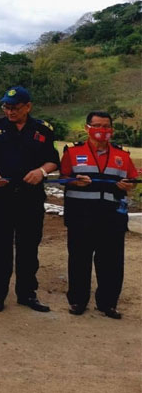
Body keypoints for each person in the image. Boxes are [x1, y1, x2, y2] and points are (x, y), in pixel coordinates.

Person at [0, 86, 59, 313]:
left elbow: (53, 160)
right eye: (6, 107)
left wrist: (41, 172)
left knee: (28, 248)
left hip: (29, 198)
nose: (10, 112)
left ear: (28, 107)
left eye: (14, 108)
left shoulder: (42, 130)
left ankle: (27, 294)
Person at [60, 111, 138, 319]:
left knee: (111, 262)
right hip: (80, 215)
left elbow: (132, 179)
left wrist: (127, 185)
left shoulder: (123, 156)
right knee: (79, 259)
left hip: (111, 217)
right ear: (87, 128)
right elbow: (62, 177)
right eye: (97, 126)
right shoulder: (72, 153)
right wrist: (74, 181)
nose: (102, 131)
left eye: (106, 126)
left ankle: (108, 303)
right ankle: (78, 301)